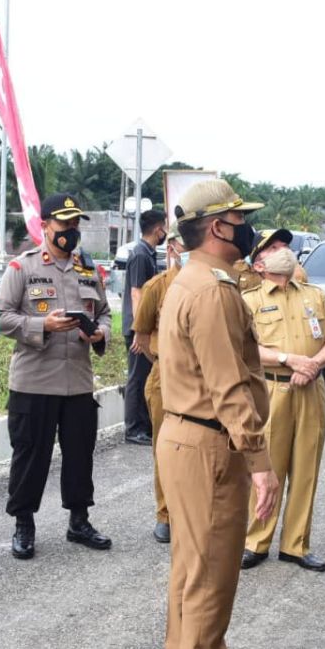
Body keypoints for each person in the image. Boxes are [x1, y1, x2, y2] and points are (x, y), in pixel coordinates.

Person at [158, 178, 278, 649]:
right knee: (211, 572)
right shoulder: (212, 291)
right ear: (216, 227)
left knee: (191, 565)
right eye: (239, 219)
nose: (247, 227)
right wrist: (261, 464)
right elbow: (229, 388)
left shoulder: (195, 278)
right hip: (210, 443)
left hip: (188, 436)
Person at [0, 192, 113, 560]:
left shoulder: (88, 269)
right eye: (64, 224)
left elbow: (107, 314)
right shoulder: (23, 268)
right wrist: (40, 324)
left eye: (76, 224)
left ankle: (79, 521)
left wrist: (100, 333)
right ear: (45, 225)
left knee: (80, 454)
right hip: (35, 382)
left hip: (77, 381)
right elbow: (0, 317)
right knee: (31, 456)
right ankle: (24, 525)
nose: (71, 231)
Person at [240, 246, 325, 573]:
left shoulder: (314, 294)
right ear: (259, 263)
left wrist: (311, 365)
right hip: (272, 388)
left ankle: (296, 545)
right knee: (267, 466)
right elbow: (244, 348)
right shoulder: (249, 300)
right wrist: (288, 359)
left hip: (311, 387)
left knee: (306, 467)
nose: (282, 251)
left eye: (284, 247)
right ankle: (255, 541)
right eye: (272, 248)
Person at [131, 226, 185, 544]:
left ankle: (194, 511)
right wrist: (165, 363)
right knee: (165, 450)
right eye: (183, 244)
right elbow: (141, 335)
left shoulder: (217, 285)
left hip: (205, 383)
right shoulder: (158, 287)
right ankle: (165, 514)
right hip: (165, 379)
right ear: (172, 249)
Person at [123, 209, 167, 445]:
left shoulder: (147, 253)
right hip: (137, 328)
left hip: (141, 327)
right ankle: (134, 429)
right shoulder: (140, 254)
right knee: (137, 378)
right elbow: (136, 292)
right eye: (164, 228)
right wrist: (142, 329)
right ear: (158, 228)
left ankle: (143, 425)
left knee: (144, 376)